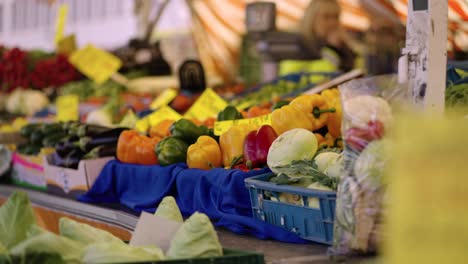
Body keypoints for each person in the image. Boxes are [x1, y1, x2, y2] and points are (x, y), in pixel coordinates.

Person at [299, 0, 357, 72]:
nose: (332, 23)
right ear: (312, 19)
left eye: (336, 17)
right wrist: (332, 48)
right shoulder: (301, 45)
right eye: (326, 17)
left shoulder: (343, 45)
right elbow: (322, 76)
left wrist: (343, 49)